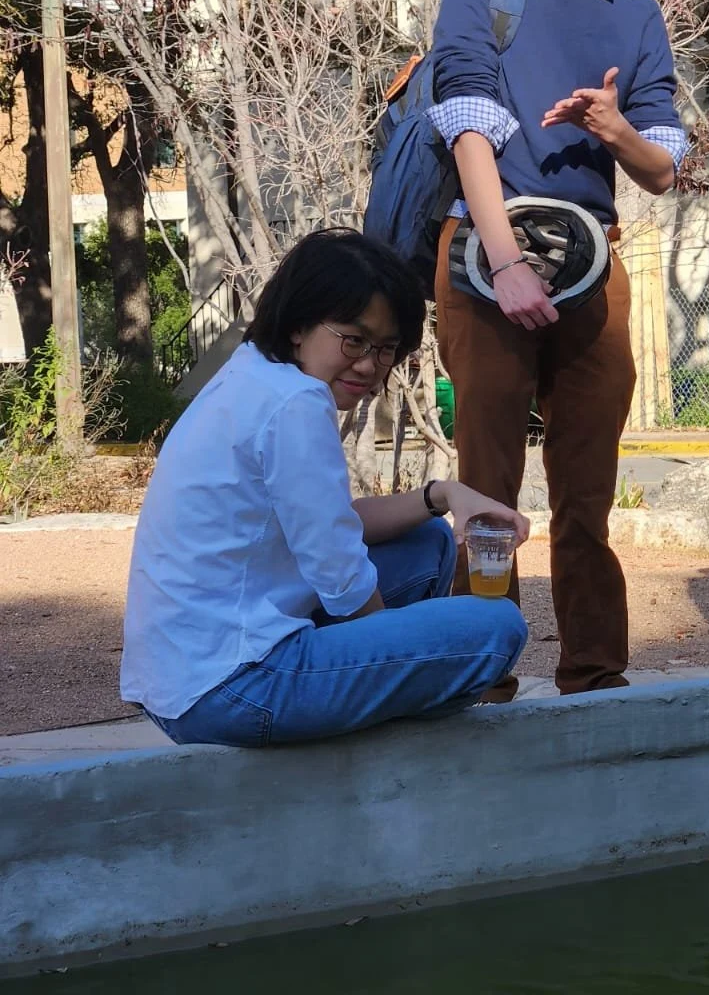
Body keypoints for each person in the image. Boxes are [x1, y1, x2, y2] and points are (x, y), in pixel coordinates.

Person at [427, 0, 687, 695]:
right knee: (489, 489)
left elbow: (662, 168)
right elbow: (465, 121)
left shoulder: (637, 12)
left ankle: (595, 675)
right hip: (485, 249)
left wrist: (615, 127)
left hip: (593, 257)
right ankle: (481, 676)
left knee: (588, 490)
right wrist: (501, 263)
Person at [120, 229, 529, 746]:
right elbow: (340, 575)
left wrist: (443, 495)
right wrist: (395, 651)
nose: (369, 366)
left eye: (385, 349)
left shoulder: (251, 375)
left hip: (189, 677)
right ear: (298, 325)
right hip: (236, 686)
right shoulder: (295, 403)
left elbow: (336, 523)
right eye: (354, 340)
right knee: (496, 628)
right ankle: (389, 740)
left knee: (428, 543)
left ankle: (372, 711)